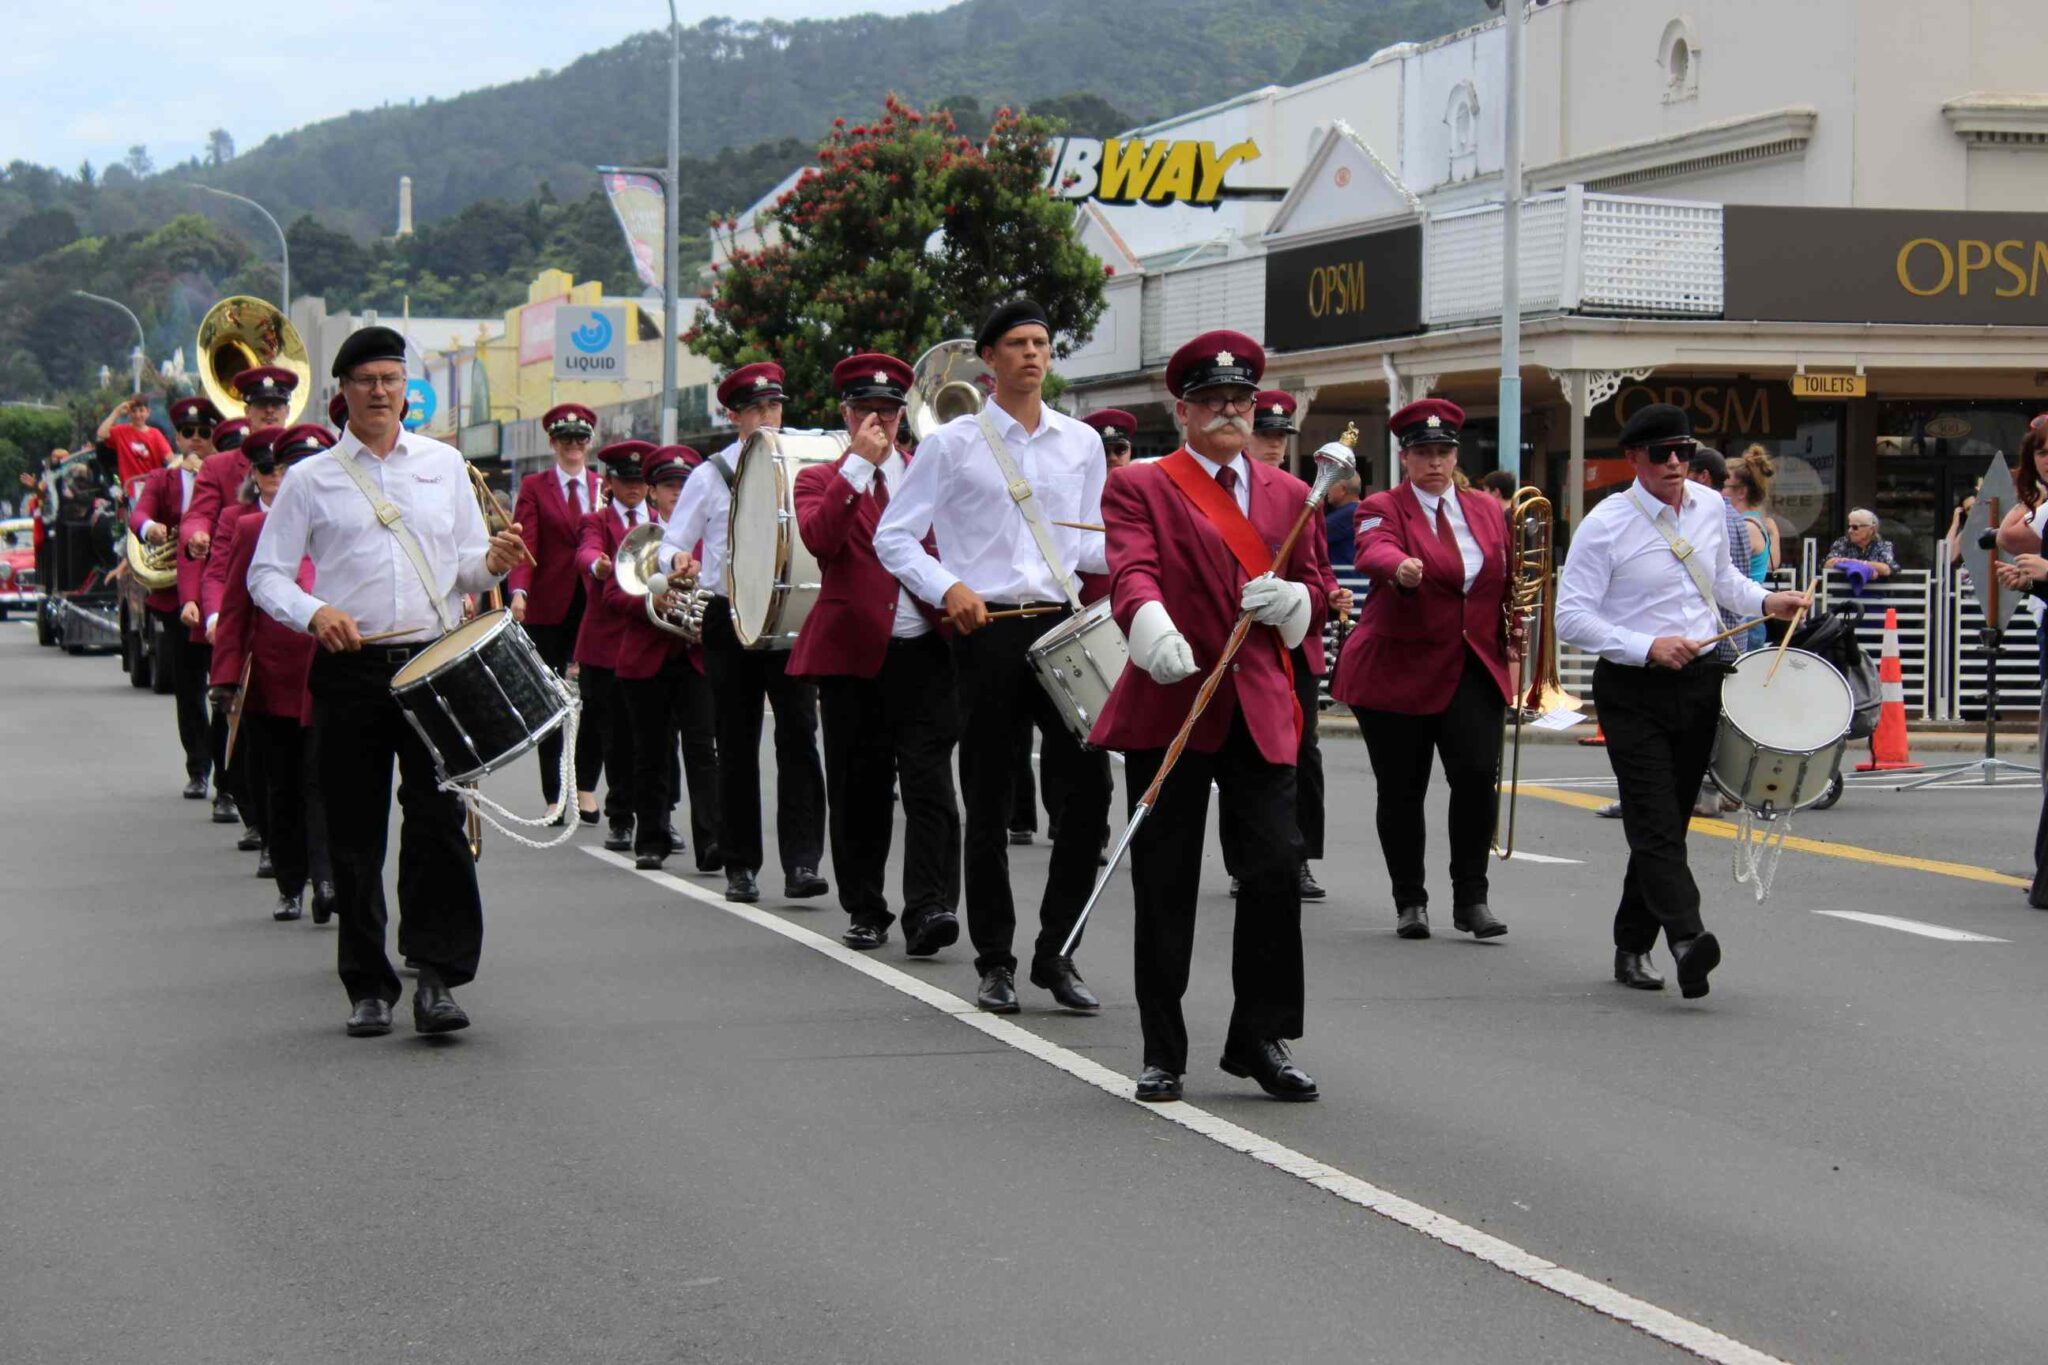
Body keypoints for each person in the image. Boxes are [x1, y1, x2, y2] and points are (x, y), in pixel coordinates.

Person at [248, 325, 528, 1038]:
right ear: (342, 392)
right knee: (355, 832)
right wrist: (316, 614)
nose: (380, 391)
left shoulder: (443, 464)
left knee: (438, 825)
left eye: (391, 379)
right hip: (349, 667)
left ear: (407, 388)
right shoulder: (310, 478)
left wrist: (494, 561)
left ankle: (437, 977)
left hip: (433, 666)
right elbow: (266, 575)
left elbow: (466, 569)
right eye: (366, 379)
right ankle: (368, 985)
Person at [1092, 329, 1325, 1102]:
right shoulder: (1142, 486)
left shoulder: (1292, 494)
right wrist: (1149, 624)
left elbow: (1316, 589)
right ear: (1181, 410)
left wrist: (1296, 604)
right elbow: (1131, 569)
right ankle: (1163, 1047)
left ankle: (1261, 1035)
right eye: (1210, 400)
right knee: (1165, 881)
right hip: (1174, 694)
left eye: (1239, 400)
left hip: (1258, 701)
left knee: (1271, 870)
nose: (1228, 411)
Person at [875, 298, 1113, 1015]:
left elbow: (1095, 540)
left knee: (1092, 795)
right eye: (1017, 343)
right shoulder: (952, 444)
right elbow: (895, 537)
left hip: (1065, 627)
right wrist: (947, 585)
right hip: (989, 629)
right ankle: (996, 959)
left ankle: (1057, 952)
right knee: (987, 798)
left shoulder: (1082, 442)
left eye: (1041, 342)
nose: (1033, 354)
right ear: (989, 359)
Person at [1554, 403, 1807, 1000]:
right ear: (1634, 459)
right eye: (1662, 453)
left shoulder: (1712, 508)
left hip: (1700, 681)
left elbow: (1721, 583)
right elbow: (1571, 617)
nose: (1675, 463)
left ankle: (1631, 942)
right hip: (1633, 688)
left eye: (1684, 452)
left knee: (1666, 822)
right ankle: (1687, 939)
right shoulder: (1605, 523)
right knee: (1652, 818)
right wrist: (1645, 646)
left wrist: (1769, 602)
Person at [791, 353, 962, 954]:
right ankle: (866, 906)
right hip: (852, 656)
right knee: (858, 788)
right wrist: (858, 469)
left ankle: (931, 907)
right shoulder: (820, 479)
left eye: (889, 412)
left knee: (929, 785)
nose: (879, 423)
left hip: (926, 652)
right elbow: (819, 539)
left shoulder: (930, 473)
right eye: (867, 411)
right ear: (846, 415)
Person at [1332, 398, 1513, 941]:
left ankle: (1472, 899)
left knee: (1478, 778)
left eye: (1443, 451)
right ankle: (1410, 900)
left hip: (1471, 664)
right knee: (1403, 789)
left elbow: (1502, 578)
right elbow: (1372, 551)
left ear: (1456, 454)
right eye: (1423, 453)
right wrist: (1400, 568)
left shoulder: (1485, 508)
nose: (1435, 462)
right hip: (1396, 670)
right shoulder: (1381, 506)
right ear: (1404, 458)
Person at [659, 362, 828, 904]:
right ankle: (740, 865)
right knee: (734, 742)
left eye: (773, 407)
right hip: (728, 616)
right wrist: (678, 558)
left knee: (800, 736)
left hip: (789, 618)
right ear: (733, 416)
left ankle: (802, 863)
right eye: (755, 410)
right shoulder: (711, 474)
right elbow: (670, 543)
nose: (767, 418)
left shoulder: (800, 461)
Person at [1225, 386, 1346, 900]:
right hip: (1239, 642)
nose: (1273, 444)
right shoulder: (1222, 492)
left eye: (1281, 437)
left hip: (1292, 642)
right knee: (1239, 751)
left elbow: (1315, 567)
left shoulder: (1302, 494)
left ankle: (1299, 858)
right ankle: (1244, 859)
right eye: (1266, 434)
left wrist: (1319, 594)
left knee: (1302, 752)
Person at [210, 425, 327, 922]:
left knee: (327, 783)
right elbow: (236, 609)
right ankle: (289, 881)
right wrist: (227, 677)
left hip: (331, 677)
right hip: (275, 682)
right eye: (287, 470)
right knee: (282, 786)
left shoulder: (346, 523)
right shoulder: (251, 530)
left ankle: (326, 877)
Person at [600, 441, 708, 870]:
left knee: (704, 750)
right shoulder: (641, 539)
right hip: (646, 657)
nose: (677, 494)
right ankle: (651, 840)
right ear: (652, 492)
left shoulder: (711, 534)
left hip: (697, 654)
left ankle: (713, 841)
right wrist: (652, 603)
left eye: (685, 485)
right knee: (650, 753)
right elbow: (612, 595)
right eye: (667, 486)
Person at [508, 403, 606, 825]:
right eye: (566, 440)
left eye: (581, 440)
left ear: (590, 443)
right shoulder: (535, 485)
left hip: (597, 604)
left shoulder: (604, 485)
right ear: (552, 443)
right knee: (548, 702)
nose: (573, 447)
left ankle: (585, 786)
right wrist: (519, 591)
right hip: (547, 606)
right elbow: (525, 544)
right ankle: (554, 794)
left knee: (597, 700)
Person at [129, 400, 220, 808]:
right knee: (189, 689)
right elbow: (140, 514)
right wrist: (150, 529)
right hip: (175, 598)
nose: (197, 440)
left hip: (222, 593)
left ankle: (231, 777)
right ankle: (198, 769)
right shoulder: (163, 478)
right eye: (189, 433)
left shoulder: (231, 473)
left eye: (204, 432)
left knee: (227, 691)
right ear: (178, 438)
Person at [576, 442, 654, 854]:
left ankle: (656, 817)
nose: (635, 488)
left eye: (641, 481)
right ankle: (621, 818)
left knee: (656, 738)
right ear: (609, 483)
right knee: (616, 738)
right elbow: (586, 551)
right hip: (605, 649)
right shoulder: (598, 520)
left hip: (651, 644)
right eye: (626, 480)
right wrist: (598, 565)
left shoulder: (660, 523)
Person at [1722, 446, 1780, 648]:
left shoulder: (1744, 526)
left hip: (1744, 619)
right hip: (1750, 616)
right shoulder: (1759, 522)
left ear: (1742, 492)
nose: (1718, 490)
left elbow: (1726, 575)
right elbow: (1774, 564)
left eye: (1723, 485)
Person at [97, 394, 172, 492]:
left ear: (148, 412)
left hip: (152, 488)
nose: (137, 415)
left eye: (141, 410)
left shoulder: (155, 434)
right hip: (131, 490)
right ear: (129, 413)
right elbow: (101, 434)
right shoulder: (120, 431)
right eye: (134, 411)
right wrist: (116, 412)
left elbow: (170, 458)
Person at [1824, 509, 1898, 579]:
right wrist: (1869, 568)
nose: (1850, 531)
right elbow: (1828, 564)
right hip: (1844, 590)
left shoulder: (1883, 545)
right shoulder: (1842, 542)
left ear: (1871, 529)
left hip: (1876, 591)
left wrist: (1855, 563)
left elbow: (1887, 569)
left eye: (1855, 527)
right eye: (1849, 526)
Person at [1246, 390, 1296, 468]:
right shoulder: (1229, 479)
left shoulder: (1289, 480)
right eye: (1264, 434)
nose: (1275, 444)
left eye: (1281, 435)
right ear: (1245, 438)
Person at [1323, 469, 1362, 567]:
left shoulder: (1347, 514)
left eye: (1331, 484)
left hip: (1345, 578)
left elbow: (1310, 535)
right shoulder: (1360, 509)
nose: (1327, 489)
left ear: (1343, 490)